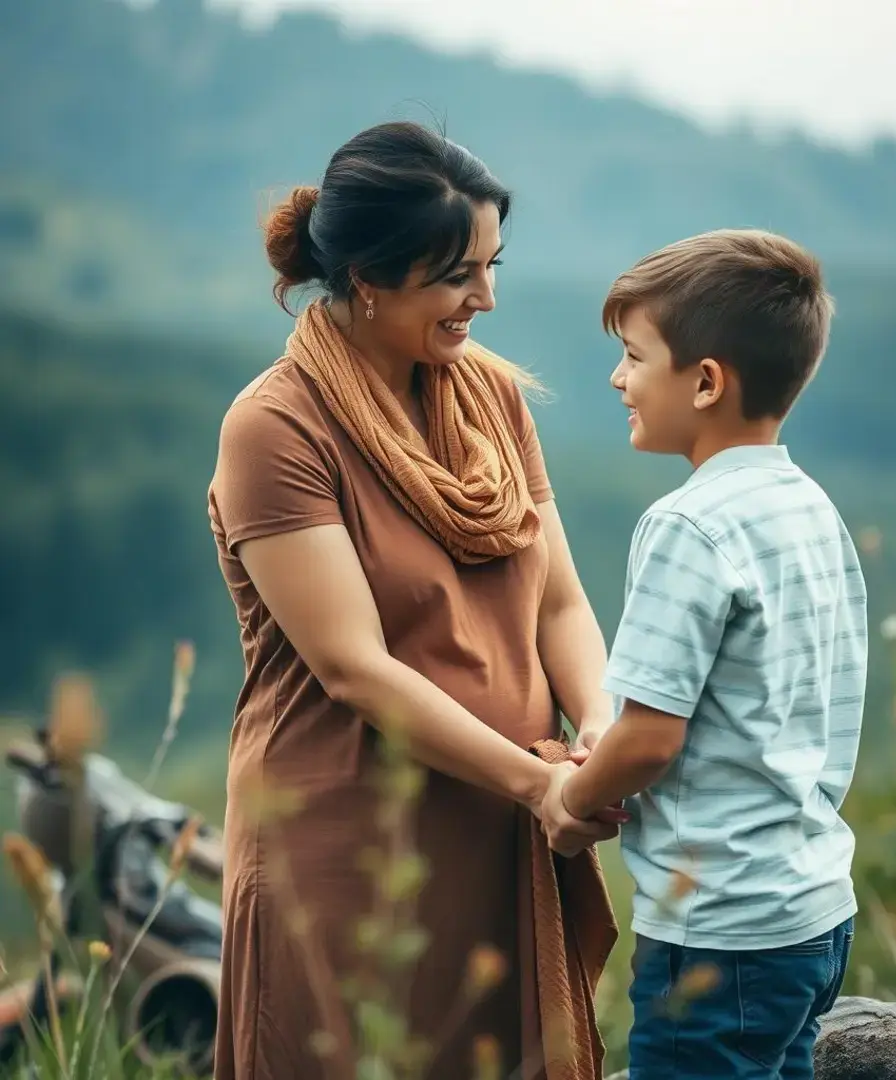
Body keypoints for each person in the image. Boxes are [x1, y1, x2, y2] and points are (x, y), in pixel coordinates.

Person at [207, 121, 625, 1080]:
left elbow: (557, 600)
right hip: (350, 855)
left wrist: (595, 727)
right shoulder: (275, 427)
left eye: (491, 264)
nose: (487, 296)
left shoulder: (488, 398)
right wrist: (539, 785)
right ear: (366, 277)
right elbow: (355, 670)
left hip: (497, 832)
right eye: (455, 275)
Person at [541, 229, 868, 1079]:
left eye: (633, 356)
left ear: (707, 380)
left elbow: (650, 739)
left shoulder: (687, 525)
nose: (618, 379)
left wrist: (572, 799)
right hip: (813, 913)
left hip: (720, 932)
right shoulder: (810, 508)